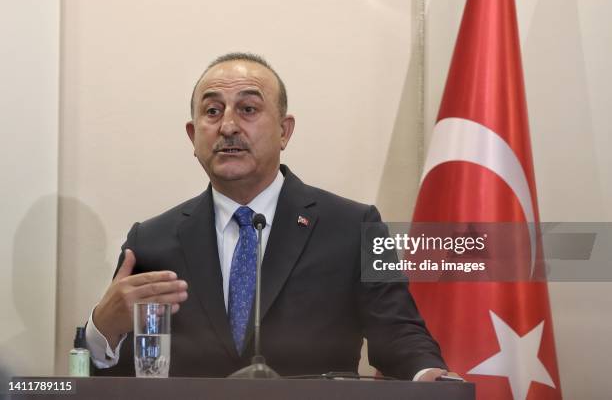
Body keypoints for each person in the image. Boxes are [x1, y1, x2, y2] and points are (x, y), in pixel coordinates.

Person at [86, 52, 449, 380]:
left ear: (284, 131)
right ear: (193, 136)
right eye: (212, 111)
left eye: (248, 109)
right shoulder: (150, 242)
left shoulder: (357, 226)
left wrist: (429, 374)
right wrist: (103, 330)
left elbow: (400, 332)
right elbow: (124, 376)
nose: (227, 126)